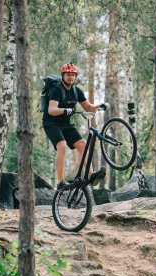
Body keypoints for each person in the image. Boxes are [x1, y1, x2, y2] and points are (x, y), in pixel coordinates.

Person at [42, 62, 109, 191]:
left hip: (65, 124)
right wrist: (65, 110)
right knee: (62, 146)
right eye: (68, 75)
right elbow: (51, 110)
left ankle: (91, 175)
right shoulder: (56, 89)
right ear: (63, 75)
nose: (71, 77)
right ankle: (60, 182)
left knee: (82, 144)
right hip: (51, 124)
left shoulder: (76, 91)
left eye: (73, 75)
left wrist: (100, 105)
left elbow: (88, 107)